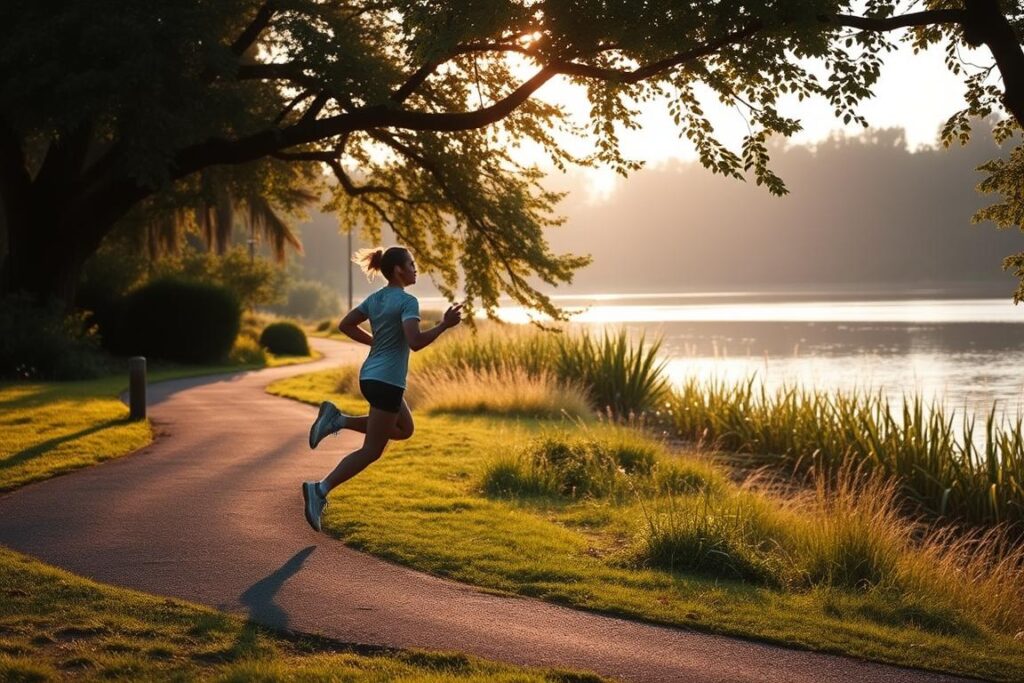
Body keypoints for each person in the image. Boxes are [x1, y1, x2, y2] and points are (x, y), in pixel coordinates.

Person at [302, 245, 463, 532]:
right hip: (387, 381)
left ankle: (338, 420)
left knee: (404, 429)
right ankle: (320, 490)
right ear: (399, 270)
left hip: (372, 377)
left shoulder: (375, 299)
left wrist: (374, 343)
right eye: (411, 264)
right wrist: (444, 325)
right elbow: (414, 342)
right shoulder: (407, 302)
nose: (415, 269)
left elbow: (345, 324)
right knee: (372, 450)